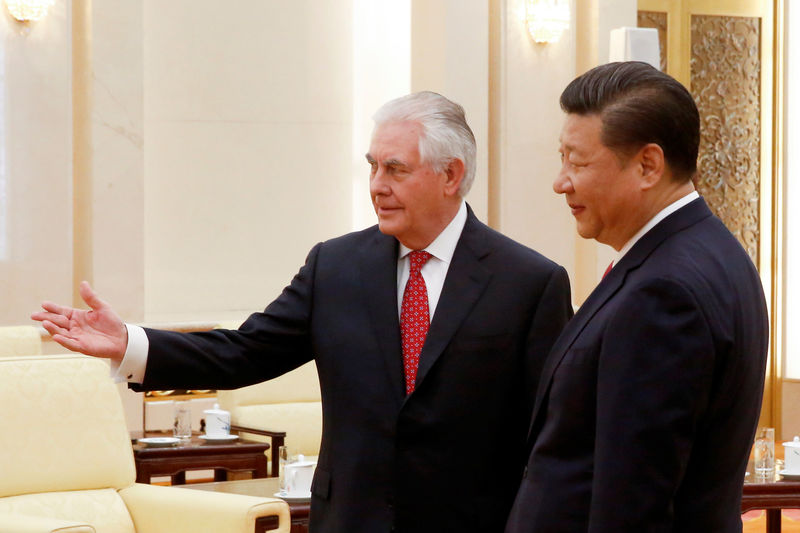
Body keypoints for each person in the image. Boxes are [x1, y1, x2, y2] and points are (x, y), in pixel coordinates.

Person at [33, 91, 573, 533]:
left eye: (395, 169)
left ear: (451, 175)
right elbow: (243, 353)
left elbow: (552, 436)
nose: (377, 186)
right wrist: (131, 343)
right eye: (372, 167)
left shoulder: (528, 283)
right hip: (350, 520)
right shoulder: (336, 267)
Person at [504, 61, 769, 533]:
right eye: (561, 157)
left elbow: (634, 503)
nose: (560, 181)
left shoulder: (663, 293)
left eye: (577, 162)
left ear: (648, 165)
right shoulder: (707, 252)